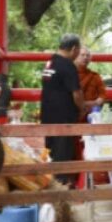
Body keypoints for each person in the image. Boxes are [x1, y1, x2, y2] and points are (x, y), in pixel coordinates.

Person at [41, 34, 84, 181]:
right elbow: (76, 94)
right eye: (79, 50)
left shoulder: (50, 62)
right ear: (74, 49)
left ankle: (51, 186)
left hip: (48, 117)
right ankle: (58, 192)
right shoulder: (67, 65)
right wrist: (83, 107)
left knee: (51, 154)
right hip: (63, 119)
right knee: (62, 158)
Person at [75, 48, 107, 122]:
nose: (85, 57)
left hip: (91, 114)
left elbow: (102, 96)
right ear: (75, 57)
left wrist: (94, 103)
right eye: (82, 55)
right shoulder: (69, 74)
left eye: (87, 55)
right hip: (74, 113)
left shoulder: (95, 76)